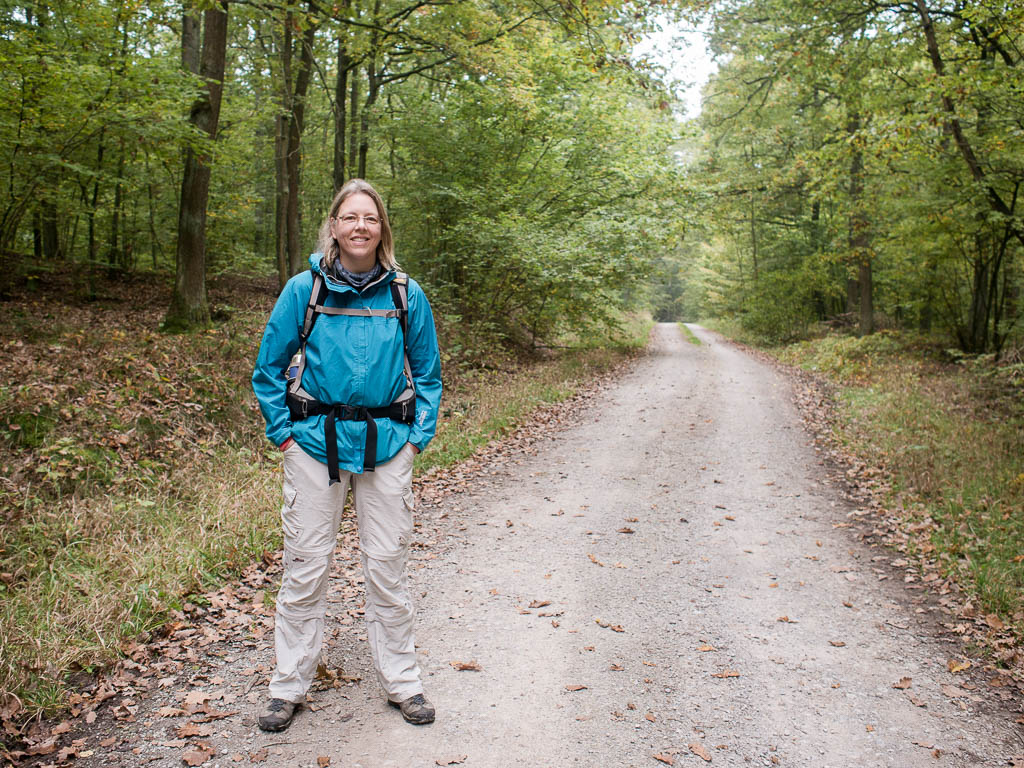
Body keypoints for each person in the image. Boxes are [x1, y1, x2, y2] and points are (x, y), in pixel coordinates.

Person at [251, 178, 442, 732]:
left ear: (382, 229)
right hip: (312, 445)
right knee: (306, 567)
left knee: (387, 567)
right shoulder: (302, 290)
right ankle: (288, 686)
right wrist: (284, 435)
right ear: (333, 226)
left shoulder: (407, 294)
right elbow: (268, 369)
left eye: (371, 218)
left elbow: (427, 375)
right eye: (350, 217)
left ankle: (403, 682)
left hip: (387, 446)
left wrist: (415, 441)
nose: (360, 227)